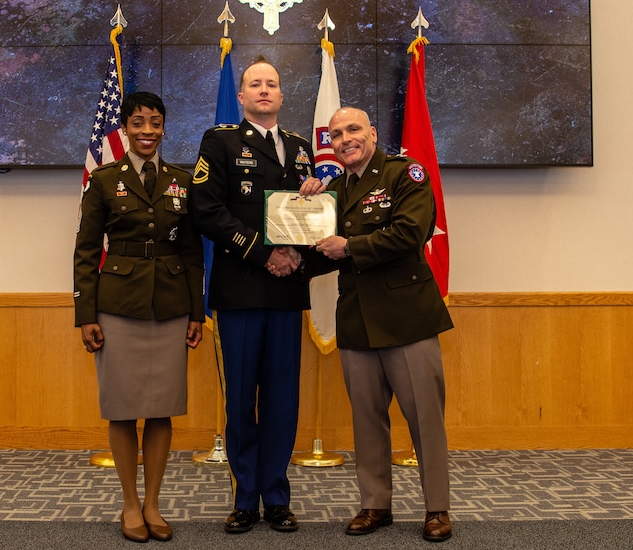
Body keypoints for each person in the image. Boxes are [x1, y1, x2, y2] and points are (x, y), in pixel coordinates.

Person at [299, 106, 454, 543]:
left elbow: (411, 233)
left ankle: (437, 508)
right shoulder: (337, 189)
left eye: (353, 129)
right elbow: (320, 246)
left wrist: (350, 247)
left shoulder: (406, 175)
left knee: (425, 419)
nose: (345, 138)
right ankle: (375, 504)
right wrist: (303, 209)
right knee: (367, 420)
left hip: (406, 319)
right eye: (335, 133)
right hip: (357, 319)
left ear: (371, 133)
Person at [190, 57, 321, 534]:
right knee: (242, 399)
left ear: (283, 97)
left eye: (272, 84)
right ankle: (246, 498)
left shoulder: (303, 149)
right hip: (241, 290)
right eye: (254, 84)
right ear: (241, 97)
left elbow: (314, 219)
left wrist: (313, 204)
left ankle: (278, 497)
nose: (264, 90)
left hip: (287, 292)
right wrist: (263, 253)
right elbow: (206, 211)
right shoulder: (220, 141)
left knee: (284, 401)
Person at [73, 92, 204, 544]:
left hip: (169, 305)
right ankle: (129, 504)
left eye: (155, 122)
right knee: (124, 410)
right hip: (119, 306)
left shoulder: (181, 180)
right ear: (125, 128)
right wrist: (85, 314)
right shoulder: (105, 180)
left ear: (164, 127)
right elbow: (87, 251)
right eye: (138, 122)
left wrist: (196, 312)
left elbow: (191, 252)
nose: (147, 130)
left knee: (162, 409)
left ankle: (153, 504)